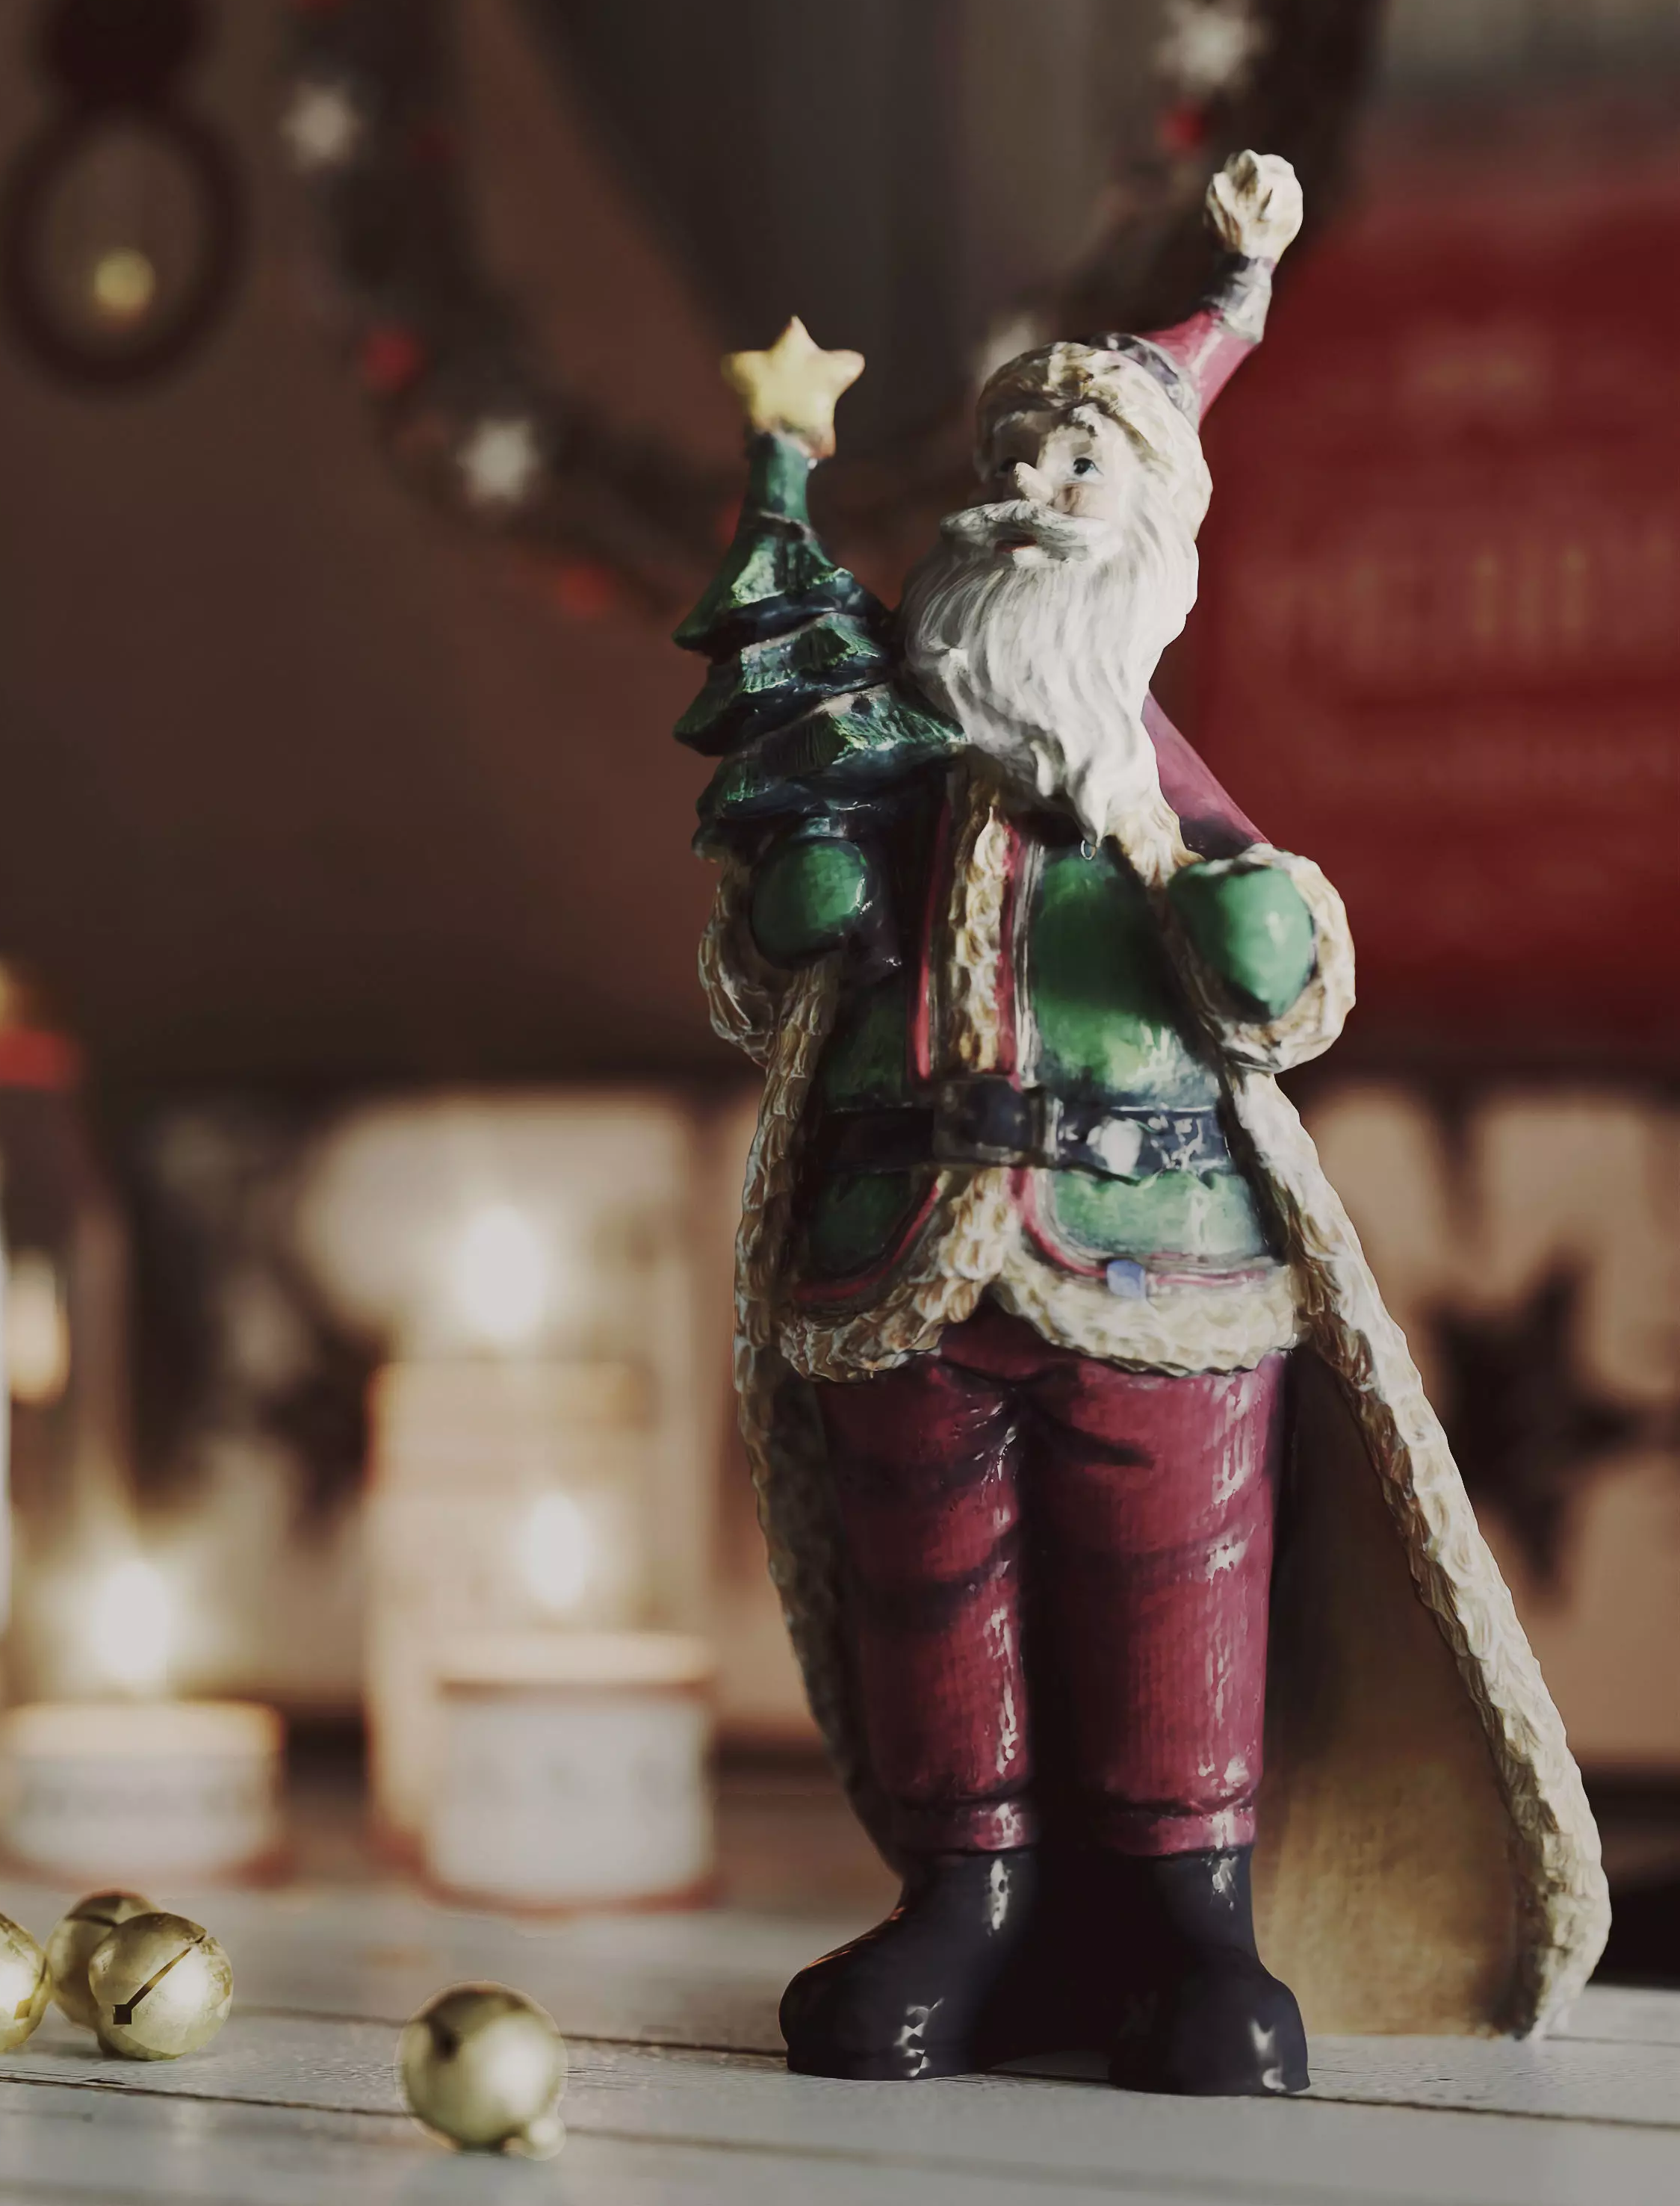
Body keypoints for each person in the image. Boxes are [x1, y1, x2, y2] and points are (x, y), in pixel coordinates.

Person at [678, 152, 1604, 2095]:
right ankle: (965, 1898)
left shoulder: (1156, 785)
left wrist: (1228, 905)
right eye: (1013, 461)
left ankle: (1197, 1926)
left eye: (1080, 464)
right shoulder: (895, 781)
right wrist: (792, 911)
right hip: (905, 1257)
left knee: (1170, 1591)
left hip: (1161, 1260)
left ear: (1153, 532)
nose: (1032, 489)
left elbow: (1285, 983)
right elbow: (777, 976)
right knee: (934, 1590)